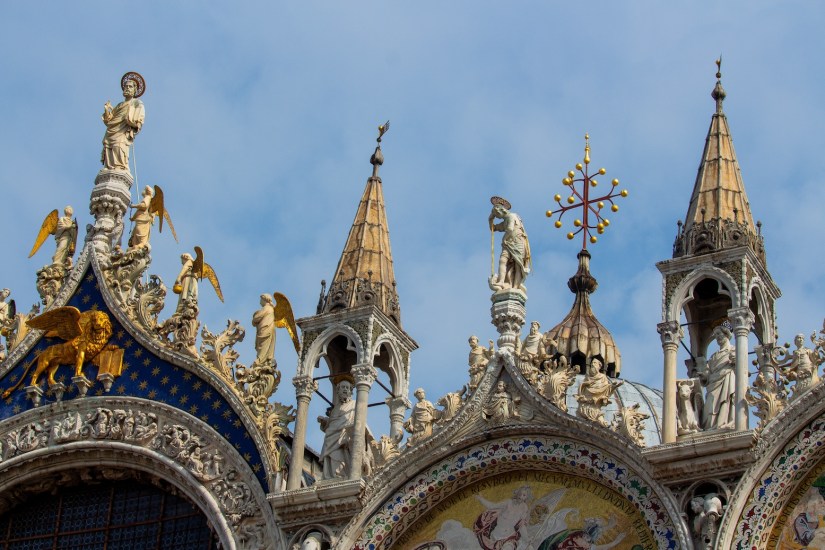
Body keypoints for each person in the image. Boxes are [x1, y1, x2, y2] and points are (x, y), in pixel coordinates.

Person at [101, 74, 145, 171]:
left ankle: (120, 167)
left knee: (119, 146)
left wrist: (131, 121)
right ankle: (109, 167)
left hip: (123, 130)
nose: (127, 88)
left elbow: (138, 119)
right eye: (126, 86)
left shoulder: (137, 103)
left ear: (134, 90)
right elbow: (109, 120)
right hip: (111, 131)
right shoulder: (119, 105)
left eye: (130, 87)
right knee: (109, 148)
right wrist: (107, 110)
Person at [489, 198, 531, 292]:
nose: (497, 217)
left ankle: (516, 287)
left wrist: (504, 239)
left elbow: (510, 229)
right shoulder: (505, 221)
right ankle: (501, 281)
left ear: (501, 210)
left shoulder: (511, 216)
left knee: (518, 265)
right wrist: (490, 218)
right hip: (508, 244)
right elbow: (493, 228)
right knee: (502, 260)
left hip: (518, 241)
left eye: (497, 214)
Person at [318, 380, 356, 479]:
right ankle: (330, 476)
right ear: (338, 391)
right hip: (330, 437)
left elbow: (358, 422)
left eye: (347, 388)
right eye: (342, 387)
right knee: (331, 456)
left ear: (351, 392)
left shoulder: (354, 405)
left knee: (339, 458)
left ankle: (341, 474)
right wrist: (324, 422)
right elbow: (332, 423)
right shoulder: (336, 408)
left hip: (343, 438)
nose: (345, 390)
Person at [474, 486, 533, 550]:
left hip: (510, 537)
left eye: (524, 495)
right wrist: (480, 499)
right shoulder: (508, 502)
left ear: (527, 497)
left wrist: (526, 538)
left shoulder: (524, 508)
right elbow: (492, 506)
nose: (520, 496)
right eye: (519, 493)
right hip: (496, 536)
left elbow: (521, 526)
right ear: (516, 493)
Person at [701, 326, 735, 430]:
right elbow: (708, 371)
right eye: (715, 335)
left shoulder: (733, 350)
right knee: (709, 406)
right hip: (713, 384)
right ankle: (711, 426)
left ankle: (724, 423)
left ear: (726, 334)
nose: (717, 337)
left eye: (719, 334)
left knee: (726, 400)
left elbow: (742, 367)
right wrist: (704, 375)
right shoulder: (714, 356)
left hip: (727, 379)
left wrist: (736, 360)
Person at [576, 358, 622, 427]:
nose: (592, 364)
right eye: (592, 363)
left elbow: (606, 388)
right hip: (584, 405)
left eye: (594, 363)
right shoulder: (587, 378)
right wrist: (585, 385)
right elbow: (581, 389)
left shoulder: (602, 377)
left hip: (595, 407)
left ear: (599, 366)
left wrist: (614, 386)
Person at [786, 333, 820, 400]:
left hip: (808, 368)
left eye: (802, 338)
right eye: (799, 338)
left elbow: (813, 358)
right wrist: (788, 370)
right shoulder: (795, 353)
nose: (801, 339)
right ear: (795, 342)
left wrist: (816, 348)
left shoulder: (807, 350)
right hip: (800, 371)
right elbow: (793, 364)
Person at [251, 294, 276, 367]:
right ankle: (262, 360)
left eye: (261, 299)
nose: (260, 301)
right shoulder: (270, 309)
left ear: (265, 300)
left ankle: (260, 360)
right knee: (264, 346)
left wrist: (254, 316)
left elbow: (256, 318)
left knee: (263, 345)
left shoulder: (267, 308)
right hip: (266, 329)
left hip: (265, 330)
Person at [128, 186, 154, 251]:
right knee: (136, 232)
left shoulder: (147, 197)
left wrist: (134, 206)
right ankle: (136, 244)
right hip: (140, 218)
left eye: (144, 189)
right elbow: (138, 211)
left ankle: (142, 243)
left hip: (143, 219)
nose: (142, 190)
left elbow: (144, 206)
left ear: (147, 191)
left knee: (140, 231)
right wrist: (133, 218)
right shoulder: (146, 198)